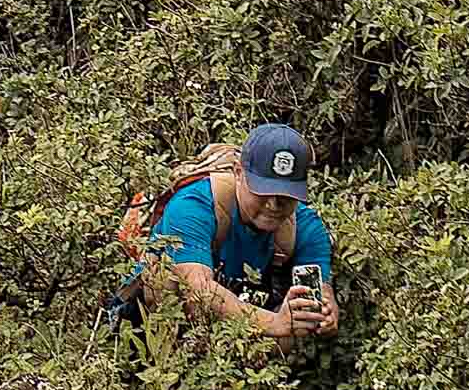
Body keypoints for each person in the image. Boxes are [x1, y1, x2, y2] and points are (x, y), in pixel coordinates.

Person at [141, 124, 339, 344]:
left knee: (291, 332)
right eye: (264, 190)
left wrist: (324, 313)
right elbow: (198, 289)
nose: (274, 205)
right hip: (153, 327)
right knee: (166, 284)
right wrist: (274, 323)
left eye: (286, 195)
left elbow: (322, 289)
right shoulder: (192, 205)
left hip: (244, 324)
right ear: (238, 173)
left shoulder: (307, 227)